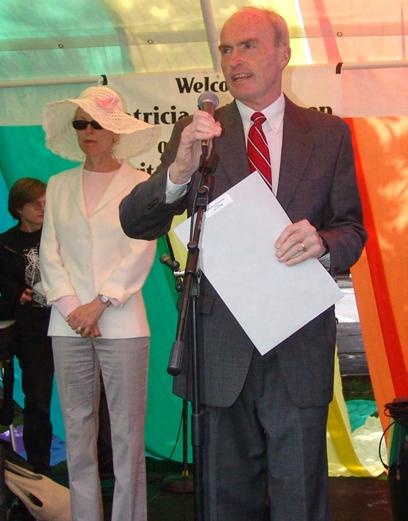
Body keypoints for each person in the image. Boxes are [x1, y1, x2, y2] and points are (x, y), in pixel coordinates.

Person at [119, 7, 367, 521]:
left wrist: (322, 242)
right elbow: (135, 221)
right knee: (224, 501)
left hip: (297, 341)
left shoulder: (329, 134)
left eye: (248, 46)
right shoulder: (199, 133)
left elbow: (352, 231)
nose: (233, 60)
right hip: (220, 346)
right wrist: (178, 172)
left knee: (300, 498)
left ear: (283, 54)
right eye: (226, 50)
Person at [39, 86, 159, 521]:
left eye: (97, 123)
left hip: (122, 322)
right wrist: (73, 307)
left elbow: (142, 246)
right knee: (77, 431)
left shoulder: (139, 183)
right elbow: (49, 250)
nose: (88, 131)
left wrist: (102, 302)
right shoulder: (59, 184)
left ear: (116, 132)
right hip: (67, 323)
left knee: (127, 435)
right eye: (81, 123)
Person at [0, 178, 53, 476]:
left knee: (90, 397)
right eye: (35, 203)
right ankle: (38, 469)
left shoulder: (59, 235)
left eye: (46, 202)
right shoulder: (5, 243)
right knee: (37, 400)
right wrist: (16, 294)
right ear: (19, 208)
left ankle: (102, 466)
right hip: (31, 331)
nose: (42, 208)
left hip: (68, 323)